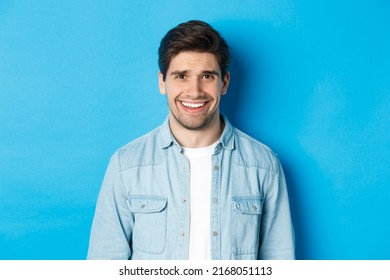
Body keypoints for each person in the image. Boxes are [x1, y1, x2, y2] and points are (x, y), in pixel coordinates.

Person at [87, 20, 295, 260]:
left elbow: (281, 264)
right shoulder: (126, 165)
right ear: (162, 82)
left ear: (224, 83)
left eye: (206, 76)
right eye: (181, 76)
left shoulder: (263, 165)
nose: (194, 91)